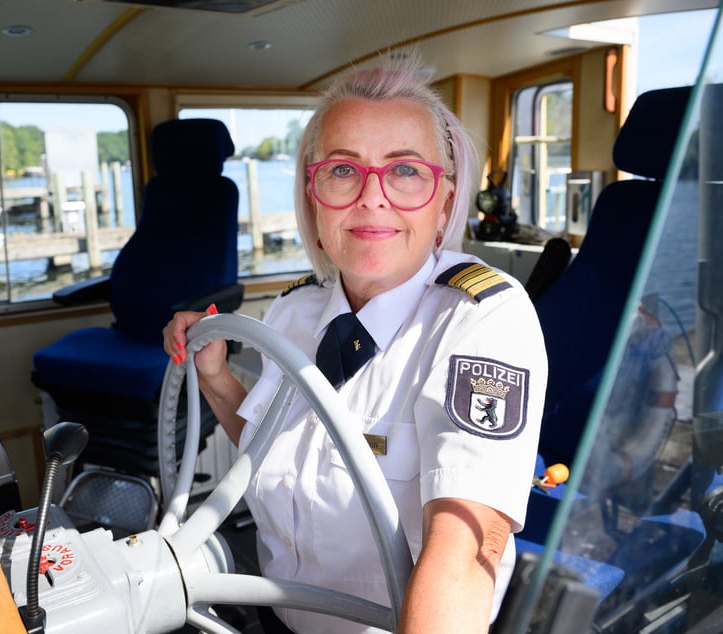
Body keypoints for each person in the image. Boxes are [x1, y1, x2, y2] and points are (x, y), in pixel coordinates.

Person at [163, 50, 547, 634]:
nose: (373, 197)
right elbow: (272, 455)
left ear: (444, 203)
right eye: (343, 170)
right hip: (279, 617)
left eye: (405, 170)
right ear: (313, 198)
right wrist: (216, 378)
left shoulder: (483, 318)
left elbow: (468, 542)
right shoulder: (293, 312)